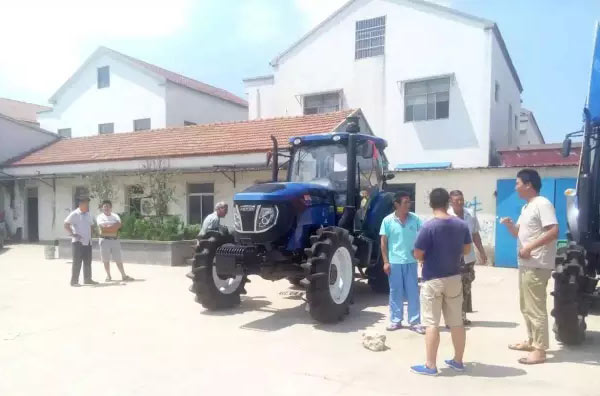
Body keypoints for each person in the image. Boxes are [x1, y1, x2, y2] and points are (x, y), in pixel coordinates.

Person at [411, 188, 472, 376]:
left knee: (431, 323)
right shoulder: (461, 225)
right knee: (456, 323)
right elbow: (467, 250)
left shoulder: (428, 227)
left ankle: (430, 365)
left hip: (433, 279)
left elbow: (418, 253)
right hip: (454, 277)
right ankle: (458, 361)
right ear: (447, 202)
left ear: (431, 204)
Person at [500, 169, 558, 365]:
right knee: (526, 307)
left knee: (536, 308)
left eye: (517, 183)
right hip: (526, 264)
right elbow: (519, 234)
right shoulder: (527, 207)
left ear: (528, 185)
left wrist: (530, 247)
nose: (515, 187)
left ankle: (540, 350)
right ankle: (532, 340)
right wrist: (509, 225)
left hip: (537, 264)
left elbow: (554, 231)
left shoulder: (543, 204)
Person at [380, 191, 424, 334]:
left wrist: (420, 253)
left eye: (409, 202)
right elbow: (383, 242)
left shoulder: (415, 219)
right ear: (396, 204)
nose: (408, 205)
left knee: (413, 293)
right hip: (394, 263)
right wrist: (386, 261)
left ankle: (415, 322)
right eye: (405, 202)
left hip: (411, 262)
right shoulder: (387, 220)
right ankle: (395, 320)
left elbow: (423, 236)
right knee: (395, 292)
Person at [448, 190, 488, 324]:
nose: (459, 202)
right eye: (456, 200)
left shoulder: (470, 214)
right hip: (450, 259)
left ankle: (461, 316)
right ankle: (451, 317)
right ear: (450, 202)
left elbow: (475, 234)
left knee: (465, 287)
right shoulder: (447, 215)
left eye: (461, 200)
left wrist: (482, 252)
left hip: (468, 257)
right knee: (452, 288)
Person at [96, 200, 134, 282]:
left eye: (108, 206)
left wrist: (107, 228)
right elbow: (102, 228)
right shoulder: (100, 217)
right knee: (106, 260)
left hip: (115, 240)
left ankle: (123, 275)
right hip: (104, 241)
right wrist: (113, 227)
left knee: (118, 259)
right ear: (102, 208)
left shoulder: (115, 216)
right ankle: (108, 276)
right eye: (105, 206)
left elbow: (119, 225)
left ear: (111, 207)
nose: (106, 208)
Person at [64, 195, 97, 286]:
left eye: (88, 203)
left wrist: (93, 233)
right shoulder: (74, 214)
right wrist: (73, 234)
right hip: (78, 242)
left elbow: (91, 225)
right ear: (80, 204)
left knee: (87, 262)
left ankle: (88, 279)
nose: (87, 205)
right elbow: (66, 224)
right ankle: (74, 281)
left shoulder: (88, 214)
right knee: (77, 262)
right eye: (86, 203)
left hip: (88, 241)